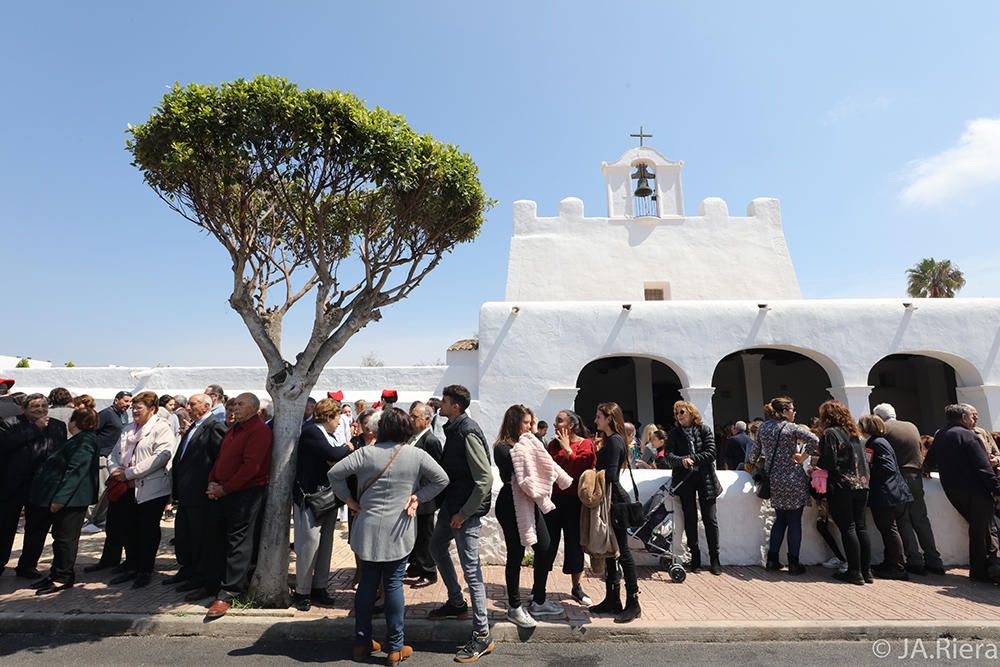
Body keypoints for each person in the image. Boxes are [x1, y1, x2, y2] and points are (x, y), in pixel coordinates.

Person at [331, 407, 448, 666]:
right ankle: (395, 646)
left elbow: (334, 474)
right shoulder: (415, 455)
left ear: (380, 428)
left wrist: (349, 500)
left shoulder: (365, 453)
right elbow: (442, 479)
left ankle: (362, 642)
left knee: (367, 584)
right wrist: (419, 496)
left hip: (367, 526)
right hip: (400, 527)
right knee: (394, 584)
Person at [427, 384, 495, 663]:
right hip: (451, 507)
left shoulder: (467, 432)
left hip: (464, 512)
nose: (439, 404)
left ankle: (482, 634)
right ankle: (456, 602)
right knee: (436, 547)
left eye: (443, 401)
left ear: (455, 405)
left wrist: (465, 513)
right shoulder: (453, 428)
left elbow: (485, 479)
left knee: (472, 572)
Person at [492, 405, 567, 628]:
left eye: (531, 422)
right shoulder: (503, 448)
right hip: (511, 503)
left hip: (531, 502)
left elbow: (543, 465)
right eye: (526, 423)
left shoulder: (531, 442)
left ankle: (539, 600)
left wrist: (532, 437)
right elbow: (522, 474)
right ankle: (514, 607)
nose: (530, 427)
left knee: (544, 547)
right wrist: (531, 442)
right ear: (515, 422)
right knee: (516, 554)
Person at [201, 393, 273, 618]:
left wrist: (226, 488)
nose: (235, 408)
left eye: (241, 405)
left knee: (238, 543)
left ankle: (229, 594)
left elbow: (251, 468)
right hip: (222, 491)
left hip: (244, 494)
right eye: (234, 405)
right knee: (217, 538)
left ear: (254, 408)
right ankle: (212, 586)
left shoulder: (259, 431)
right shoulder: (234, 429)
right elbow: (220, 459)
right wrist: (213, 481)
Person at [21, 407, 100, 594]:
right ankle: (56, 573)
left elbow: (76, 472)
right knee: (60, 538)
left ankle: (63, 577)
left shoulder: (85, 441)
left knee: (66, 539)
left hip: (72, 500)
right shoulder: (79, 439)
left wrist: (60, 499)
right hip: (65, 499)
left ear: (76, 422)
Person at [106, 391, 176, 588]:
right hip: (125, 488)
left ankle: (145, 569)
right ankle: (131, 565)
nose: (134, 411)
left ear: (152, 409)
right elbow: (114, 454)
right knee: (128, 529)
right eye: (133, 407)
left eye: (139, 407)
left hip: (151, 490)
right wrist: (115, 470)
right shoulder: (128, 428)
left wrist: (130, 473)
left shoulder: (162, 428)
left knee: (147, 531)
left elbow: (161, 456)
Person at [924, 404, 1000, 583]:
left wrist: (926, 468)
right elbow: (983, 467)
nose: (975, 420)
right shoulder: (968, 435)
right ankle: (980, 571)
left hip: (953, 490)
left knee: (980, 528)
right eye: (972, 417)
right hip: (975, 490)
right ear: (963, 418)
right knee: (980, 530)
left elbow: (930, 459)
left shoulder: (941, 434)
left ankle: (988, 566)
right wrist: (996, 489)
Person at [292, 398, 352, 611]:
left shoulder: (328, 434)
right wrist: (347, 447)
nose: (339, 423)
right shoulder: (312, 432)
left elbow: (336, 459)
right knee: (308, 546)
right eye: (338, 418)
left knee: (325, 546)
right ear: (329, 416)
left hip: (327, 498)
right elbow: (333, 455)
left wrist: (340, 453)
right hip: (310, 498)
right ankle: (302, 591)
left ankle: (320, 588)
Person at [872, 403, 945, 576]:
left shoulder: (885, 430)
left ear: (878, 417)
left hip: (899, 476)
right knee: (920, 518)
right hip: (916, 474)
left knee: (903, 519)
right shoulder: (911, 426)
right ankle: (934, 559)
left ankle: (914, 559)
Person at [0, 393, 67, 577]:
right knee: (5, 526)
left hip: (44, 486)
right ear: (24, 409)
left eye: (44, 406)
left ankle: (27, 565)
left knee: (37, 528)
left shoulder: (57, 426)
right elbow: (5, 445)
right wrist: (34, 429)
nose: (40, 409)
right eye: (35, 406)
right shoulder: (10, 423)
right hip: (14, 486)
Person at [749, 397, 819, 575]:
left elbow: (754, 454)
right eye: (791, 409)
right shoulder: (791, 428)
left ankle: (772, 559)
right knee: (794, 521)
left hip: (775, 479)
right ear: (782, 412)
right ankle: (793, 563)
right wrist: (802, 458)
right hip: (793, 478)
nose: (794, 412)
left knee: (780, 520)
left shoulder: (763, 427)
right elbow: (814, 440)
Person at [167, 393, 226, 593]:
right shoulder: (193, 425)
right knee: (185, 535)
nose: (189, 407)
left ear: (206, 405)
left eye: (193, 404)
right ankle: (187, 569)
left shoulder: (215, 426)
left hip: (200, 494)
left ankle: (200, 575)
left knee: (200, 537)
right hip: (185, 492)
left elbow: (219, 460)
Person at [589, 402, 641, 624]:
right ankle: (612, 599)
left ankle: (633, 602)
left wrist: (592, 473)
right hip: (612, 499)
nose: (596, 420)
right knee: (611, 551)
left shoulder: (615, 441)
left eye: (599, 417)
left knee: (623, 552)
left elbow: (610, 475)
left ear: (609, 418)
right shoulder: (612, 441)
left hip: (615, 501)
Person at [539, 410, 595, 606]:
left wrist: (568, 449)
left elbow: (582, 467)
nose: (555, 425)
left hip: (575, 502)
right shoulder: (552, 445)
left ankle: (576, 587)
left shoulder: (585, 444)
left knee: (574, 544)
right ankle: (540, 588)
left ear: (570, 425)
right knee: (547, 544)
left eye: (559, 421)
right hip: (554, 500)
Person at [663, 400, 723, 575]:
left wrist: (692, 459)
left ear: (690, 412)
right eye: (676, 413)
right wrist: (681, 461)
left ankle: (714, 558)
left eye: (682, 412)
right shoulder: (674, 433)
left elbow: (711, 452)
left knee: (710, 519)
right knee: (690, 519)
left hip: (706, 480)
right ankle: (695, 557)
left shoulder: (704, 430)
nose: (679, 416)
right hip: (685, 480)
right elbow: (668, 456)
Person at [817, 400, 871, 585]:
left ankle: (854, 571)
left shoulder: (831, 433)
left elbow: (829, 461)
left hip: (842, 485)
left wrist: (817, 463)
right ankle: (866, 570)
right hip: (862, 485)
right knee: (861, 527)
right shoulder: (855, 433)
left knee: (848, 527)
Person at [859, 415, 913, 581]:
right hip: (893, 492)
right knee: (889, 529)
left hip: (886, 494)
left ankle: (897, 566)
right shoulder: (880, 442)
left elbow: (885, 467)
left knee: (889, 529)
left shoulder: (874, 443)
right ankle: (890, 562)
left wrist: (869, 474)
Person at [82, 390, 132, 553]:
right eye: (125, 401)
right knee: (99, 490)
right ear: (116, 400)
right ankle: (87, 520)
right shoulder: (106, 414)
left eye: (129, 402)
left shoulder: (124, 415)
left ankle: (98, 519)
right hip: (102, 456)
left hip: (115, 458)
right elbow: (92, 433)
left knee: (107, 493)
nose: (128, 404)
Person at [405, 401, 443, 587]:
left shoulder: (431, 441)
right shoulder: (413, 437)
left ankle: (429, 570)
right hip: (412, 494)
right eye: (410, 415)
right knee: (415, 534)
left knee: (425, 535)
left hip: (424, 497)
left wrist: (423, 495)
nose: (411, 419)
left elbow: (435, 472)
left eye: (415, 417)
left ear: (427, 420)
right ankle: (416, 565)